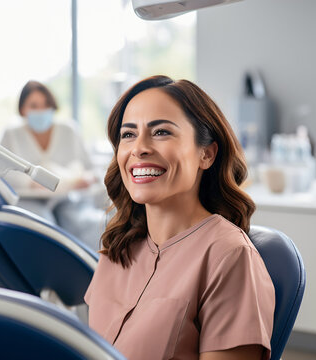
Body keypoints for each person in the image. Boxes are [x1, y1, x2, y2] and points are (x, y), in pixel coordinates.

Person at [84, 75, 275, 360]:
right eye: (128, 134)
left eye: (161, 132)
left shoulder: (229, 256)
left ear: (206, 154)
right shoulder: (116, 250)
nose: (139, 148)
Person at [0, 80, 95, 194]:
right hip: (28, 200)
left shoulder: (69, 131)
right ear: (22, 109)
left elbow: (91, 169)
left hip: (68, 200)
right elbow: (1, 171)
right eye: (34, 106)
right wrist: (29, 183)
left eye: (46, 105)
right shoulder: (11, 135)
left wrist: (87, 179)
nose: (41, 110)